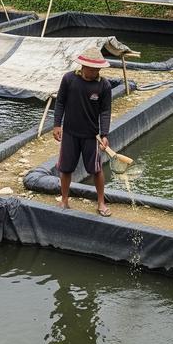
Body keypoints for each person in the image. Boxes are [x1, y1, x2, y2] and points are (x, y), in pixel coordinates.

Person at [52, 47, 113, 217]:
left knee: (96, 169)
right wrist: (57, 125)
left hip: (91, 135)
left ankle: (101, 202)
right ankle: (64, 200)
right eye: (92, 69)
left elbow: (105, 111)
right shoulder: (69, 79)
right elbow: (60, 103)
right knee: (65, 168)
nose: (94, 72)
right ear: (83, 66)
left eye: (97, 70)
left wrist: (104, 134)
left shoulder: (104, 85)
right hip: (70, 133)